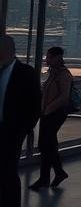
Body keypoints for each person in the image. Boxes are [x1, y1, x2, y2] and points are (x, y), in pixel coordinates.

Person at [0, 34, 42, 205]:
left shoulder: (25, 73)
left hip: (12, 132)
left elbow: (34, 105)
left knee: (8, 171)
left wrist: (23, 130)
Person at [29, 46, 74, 191]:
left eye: (48, 57)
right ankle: (57, 173)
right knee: (49, 144)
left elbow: (64, 97)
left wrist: (49, 108)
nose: (46, 59)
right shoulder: (53, 73)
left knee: (44, 144)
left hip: (55, 113)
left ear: (56, 58)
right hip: (47, 113)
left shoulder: (64, 75)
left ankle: (46, 177)